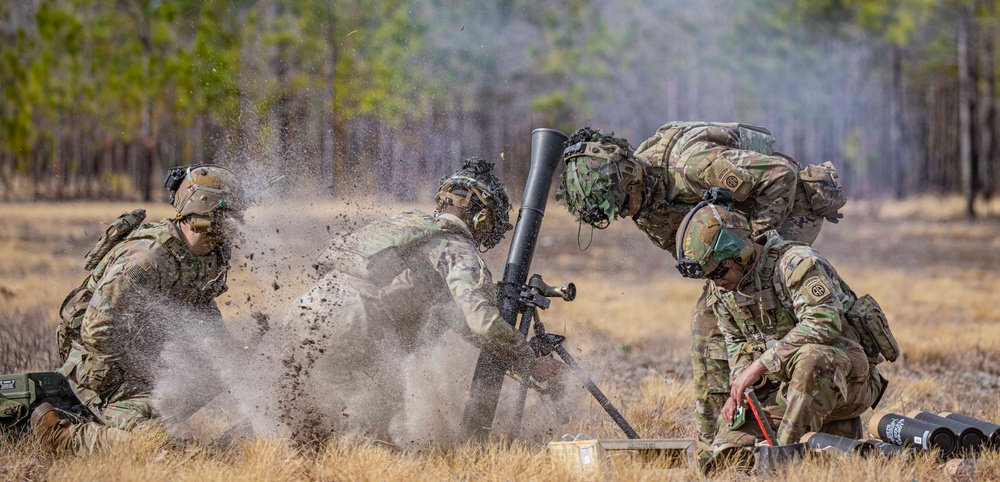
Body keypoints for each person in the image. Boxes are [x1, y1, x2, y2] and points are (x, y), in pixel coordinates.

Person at [556, 123, 847, 453]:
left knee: (774, 313)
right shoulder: (643, 202)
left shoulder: (692, 167)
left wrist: (750, 242)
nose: (625, 212)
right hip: (732, 237)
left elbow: (781, 177)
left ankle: (799, 419)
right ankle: (719, 444)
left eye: (623, 202)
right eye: (617, 210)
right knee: (712, 326)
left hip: (785, 209)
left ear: (631, 177)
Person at [279, 157, 560, 442]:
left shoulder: (407, 223)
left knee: (313, 415)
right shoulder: (459, 250)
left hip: (306, 313)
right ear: (481, 217)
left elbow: (460, 322)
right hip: (353, 323)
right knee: (375, 419)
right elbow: (483, 324)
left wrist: (510, 351)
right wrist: (528, 358)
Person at [32, 164, 247, 455]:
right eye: (230, 214)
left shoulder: (210, 256)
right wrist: (148, 370)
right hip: (104, 374)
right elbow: (96, 332)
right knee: (157, 449)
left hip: (147, 363)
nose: (238, 223)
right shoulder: (146, 259)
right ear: (205, 209)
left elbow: (202, 307)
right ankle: (62, 437)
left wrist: (232, 360)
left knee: (217, 373)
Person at [674, 201, 887, 450]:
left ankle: (783, 459)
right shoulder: (723, 290)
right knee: (728, 452)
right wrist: (740, 387)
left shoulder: (796, 263)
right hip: (785, 388)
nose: (718, 281)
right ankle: (805, 445)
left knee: (811, 358)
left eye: (720, 271)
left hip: (847, 383)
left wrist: (760, 365)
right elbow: (735, 341)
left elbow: (824, 321)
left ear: (741, 252)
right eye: (710, 275)